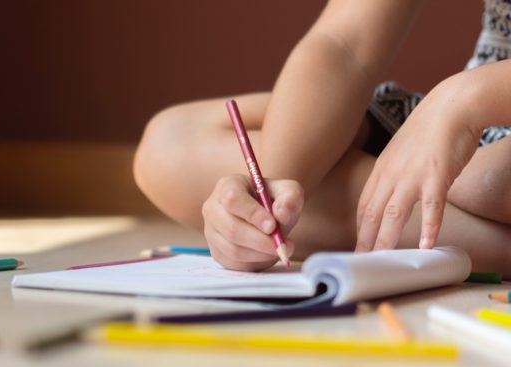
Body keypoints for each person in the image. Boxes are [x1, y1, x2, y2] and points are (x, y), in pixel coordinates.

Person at [133, 0, 511, 275]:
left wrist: (463, 101)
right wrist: (271, 201)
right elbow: (344, 46)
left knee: (490, 180)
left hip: (472, 110)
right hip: (449, 121)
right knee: (170, 145)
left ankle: (450, 228)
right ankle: (487, 243)